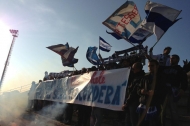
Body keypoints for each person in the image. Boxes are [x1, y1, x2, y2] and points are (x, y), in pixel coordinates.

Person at [137, 60, 168, 126]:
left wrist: (154, 92)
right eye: (149, 66)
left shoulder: (162, 77)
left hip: (155, 105)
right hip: (144, 104)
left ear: (157, 66)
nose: (150, 67)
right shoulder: (145, 77)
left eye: (152, 66)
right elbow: (138, 89)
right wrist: (141, 91)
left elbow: (164, 90)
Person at [161, 54, 188, 126]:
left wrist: (182, 89)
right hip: (163, 91)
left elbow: (184, 80)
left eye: (173, 58)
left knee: (173, 111)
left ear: (177, 60)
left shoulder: (180, 69)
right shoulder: (165, 68)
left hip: (173, 91)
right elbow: (156, 66)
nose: (171, 59)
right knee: (162, 111)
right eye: (171, 58)